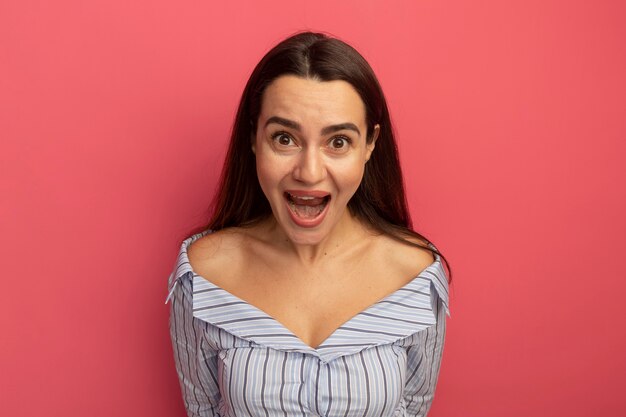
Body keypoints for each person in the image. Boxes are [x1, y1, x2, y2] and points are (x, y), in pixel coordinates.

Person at [166, 31, 451, 417]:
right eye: (285, 138)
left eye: (338, 142)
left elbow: (413, 408)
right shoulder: (203, 276)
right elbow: (202, 409)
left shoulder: (415, 277)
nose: (309, 172)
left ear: (369, 144)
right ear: (254, 139)